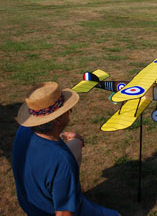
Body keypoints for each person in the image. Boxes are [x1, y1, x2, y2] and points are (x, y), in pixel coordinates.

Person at [12, 81, 120, 215]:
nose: (70, 111)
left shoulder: (23, 131)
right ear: (57, 120)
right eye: (67, 108)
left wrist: (65, 136)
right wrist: (76, 139)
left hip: (32, 207)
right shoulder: (62, 161)